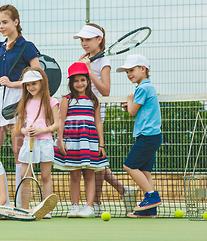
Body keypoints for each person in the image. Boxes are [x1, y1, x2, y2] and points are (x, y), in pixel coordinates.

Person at [74, 24, 137, 215]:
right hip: (80, 111)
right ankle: (121, 191)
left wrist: (88, 70)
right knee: (92, 158)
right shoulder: (86, 59)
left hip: (94, 112)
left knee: (94, 158)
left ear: (99, 40)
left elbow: (105, 90)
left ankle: (98, 202)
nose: (84, 43)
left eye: (88, 40)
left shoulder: (104, 62)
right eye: (82, 40)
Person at [0, 4, 42, 204]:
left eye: (5, 22)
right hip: (0, 101)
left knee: (19, 151)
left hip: (19, 100)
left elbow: (39, 75)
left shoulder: (27, 46)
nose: (1, 26)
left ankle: (19, 201)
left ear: (16, 22)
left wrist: (15, 84)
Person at [53, 62, 109, 218]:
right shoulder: (67, 100)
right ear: (71, 82)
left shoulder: (94, 100)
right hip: (72, 142)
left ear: (88, 81)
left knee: (90, 175)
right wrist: (60, 139)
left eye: (83, 80)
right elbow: (61, 120)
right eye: (76, 80)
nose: (79, 83)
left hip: (89, 142)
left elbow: (98, 123)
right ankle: (75, 206)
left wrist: (101, 144)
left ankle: (89, 207)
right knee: (74, 175)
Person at [118, 55, 162, 218]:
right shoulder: (146, 87)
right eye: (127, 71)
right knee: (145, 171)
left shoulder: (143, 88)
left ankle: (151, 196)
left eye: (132, 70)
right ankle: (150, 210)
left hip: (147, 136)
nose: (129, 74)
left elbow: (132, 111)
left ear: (143, 69)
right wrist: (129, 104)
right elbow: (137, 109)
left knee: (129, 166)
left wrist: (129, 101)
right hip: (151, 136)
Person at [12, 67, 59, 218]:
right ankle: (25, 210)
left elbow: (57, 124)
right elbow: (20, 126)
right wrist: (26, 131)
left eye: (34, 83)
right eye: (28, 84)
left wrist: (41, 130)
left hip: (45, 143)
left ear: (41, 83)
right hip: (28, 143)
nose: (31, 87)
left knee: (46, 176)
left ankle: (46, 210)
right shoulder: (24, 102)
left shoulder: (52, 101)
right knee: (25, 177)